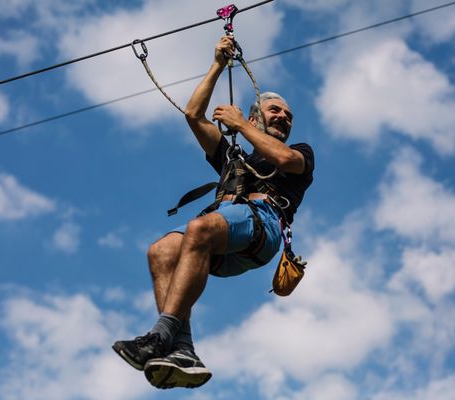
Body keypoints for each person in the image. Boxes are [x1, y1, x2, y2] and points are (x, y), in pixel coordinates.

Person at [112, 35, 314, 390]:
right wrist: (218, 64)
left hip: (262, 227)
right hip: (222, 237)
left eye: (288, 115)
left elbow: (284, 160)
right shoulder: (234, 157)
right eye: (275, 111)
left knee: (199, 228)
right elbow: (193, 115)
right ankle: (182, 349)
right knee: (160, 250)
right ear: (256, 115)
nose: (283, 117)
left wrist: (240, 126)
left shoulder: (300, 151)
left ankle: (160, 336)